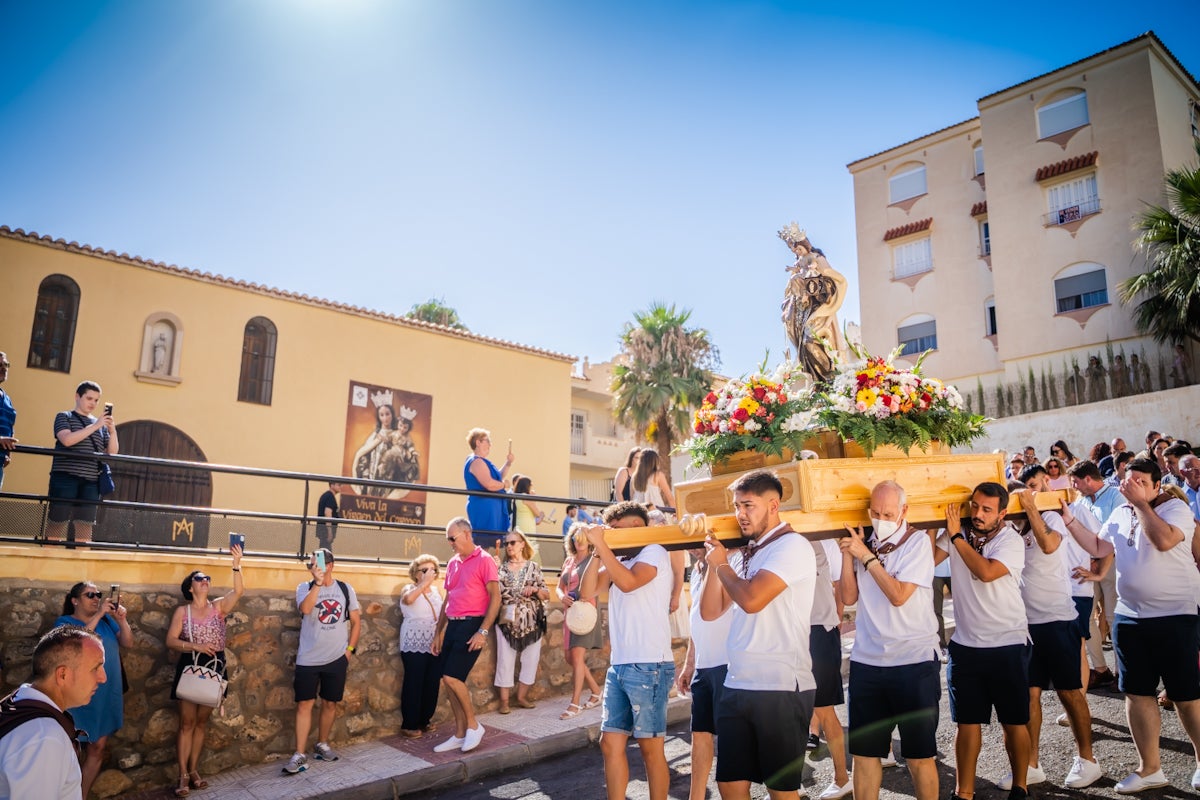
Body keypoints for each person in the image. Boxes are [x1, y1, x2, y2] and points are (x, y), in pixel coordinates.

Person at [700, 469, 818, 800]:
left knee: (780, 790)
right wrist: (716, 564)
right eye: (737, 506)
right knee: (730, 784)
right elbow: (710, 611)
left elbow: (751, 600)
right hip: (737, 683)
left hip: (780, 687)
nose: (740, 514)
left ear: (773, 504)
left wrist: (723, 564)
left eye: (748, 505)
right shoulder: (743, 554)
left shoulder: (792, 546)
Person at [1086, 457, 1200, 793]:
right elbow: (1097, 546)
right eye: (1128, 480)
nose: (1130, 486)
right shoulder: (1121, 511)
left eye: (1139, 481)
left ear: (1155, 484)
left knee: (1185, 695)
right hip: (1130, 616)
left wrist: (1139, 504)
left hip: (1175, 615)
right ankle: (1150, 769)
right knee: (1136, 693)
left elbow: (1164, 540)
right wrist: (1067, 520)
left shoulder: (1174, 509)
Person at [839, 480, 941, 800]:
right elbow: (848, 596)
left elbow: (898, 595)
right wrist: (848, 553)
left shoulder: (917, 543)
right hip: (868, 662)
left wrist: (865, 556)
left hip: (914, 661)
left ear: (903, 511)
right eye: (875, 512)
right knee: (865, 755)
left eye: (888, 513)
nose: (880, 519)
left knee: (918, 756)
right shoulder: (864, 541)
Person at [935, 482, 1031, 800]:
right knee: (966, 723)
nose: (978, 514)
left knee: (1013, 722)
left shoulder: (1011, 541)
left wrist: (956, 537)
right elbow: (925, 561)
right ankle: (964, 793)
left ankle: (1020, 787)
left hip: (1008, 643)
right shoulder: (956, 532)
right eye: (974, 506)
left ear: (1002, 513)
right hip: (965, 645)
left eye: (987, 510)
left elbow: (986, 572)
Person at [1009, 476, 1103, 789]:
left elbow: (1049, 545)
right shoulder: (1008, 528)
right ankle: (1031, 764)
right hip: (1025, 625)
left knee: (1069, 692)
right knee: (1029, 694)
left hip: (1057, 619)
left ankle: (1087, 760)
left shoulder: (1048, 516)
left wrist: (1031, 508)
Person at [581, 502, 675, 800]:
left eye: (615, 531)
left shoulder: (654, 552)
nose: (611, 537)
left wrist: (604, 549)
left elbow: (630, 583)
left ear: (636, 527)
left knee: (650, 748)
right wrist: (597, 552)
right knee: (609, 743)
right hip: (620, 664)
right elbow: (586, 593)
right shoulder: (616, 558)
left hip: (650, 663)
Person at [165, 546, 245, 797]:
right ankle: (183, 775)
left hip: (214, 667)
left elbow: (238, 591)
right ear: (190, 587)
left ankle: (194, 769)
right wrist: (195, 645)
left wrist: (236, 563)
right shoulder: (183, 611)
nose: (205, 582)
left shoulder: (218, 608)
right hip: (191, 665)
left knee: (201, 722)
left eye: (207, 579)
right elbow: (170, 640)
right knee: (186, 722)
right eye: (200, 579)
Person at [0, 626, 106, 800]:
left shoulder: (18, 700)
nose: (103, 678)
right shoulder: (44, 739)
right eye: (96, 668)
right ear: (62, 675)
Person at [283, 548, 362, 775]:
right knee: (305, 704)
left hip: (337, 658)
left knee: (330, 703)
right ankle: (299, 755)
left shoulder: (346, 589)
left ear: (330, 565)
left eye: (316, 564)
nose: (313, 568)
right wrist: (317, 584)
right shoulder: (304, 588)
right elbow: (307, 609)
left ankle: (322, 744)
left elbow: (356, 622)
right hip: (308, 658)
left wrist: (349, 651)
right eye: (310, 565)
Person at [55, 580, 134, 799]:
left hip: (106, 694)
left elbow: (128, 643)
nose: (96, 598)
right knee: (70, 751)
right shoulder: (64, 621)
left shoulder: (108, 621)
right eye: (90, 595)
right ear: (75, 601)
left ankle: (81, 795)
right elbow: (75, 645)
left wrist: (122, 620)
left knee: (97, 749)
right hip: (76, 697)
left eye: (98, 594)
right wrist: (98, 615)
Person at [431, 517, 500, 753]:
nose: (450, 543)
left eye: (453, 538)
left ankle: (473, 725)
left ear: (467, 534)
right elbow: (448, 600)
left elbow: (496, 597)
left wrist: (483, 630)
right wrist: (438, 631)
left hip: (473, 625)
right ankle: (460, 733)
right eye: (448, 539)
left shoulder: (485, 560)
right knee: (447, 681)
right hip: (453, 625)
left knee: (452, 677)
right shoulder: (452, 562)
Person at [676, 544, 737, 800]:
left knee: (731, 740)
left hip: (729, 664)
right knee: (699, 734)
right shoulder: (697, 570)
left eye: (696, 543)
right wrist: (690, 663)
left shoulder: (730, 562)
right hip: (703, 666)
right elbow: (696, 622)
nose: (692, 550)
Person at [1068, 460, 1124, 684]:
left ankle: (1121, 671)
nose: (1074, 487)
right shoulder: (1081, 501)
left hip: (1113, 562)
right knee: (1088, 617)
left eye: (1076, 482)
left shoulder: (1116, 497)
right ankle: (1101, 669)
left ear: (1088, 479)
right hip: (1088, 565)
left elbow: (1117, 533)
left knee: (1112, 616)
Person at [46, 381, 119, 544]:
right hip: (65, 477)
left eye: (96, 400)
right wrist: (96, 425)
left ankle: (81, 564)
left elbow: (112, 452)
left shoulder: (99, 425)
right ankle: (48, 559)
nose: (93, 403)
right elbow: (67, 440)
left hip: (91, 481)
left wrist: (112, 431)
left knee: (85, 525)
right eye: (89, 398)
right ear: (77, 397)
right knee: (57, 521)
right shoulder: (64, 416)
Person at [494, 529, 548, 713]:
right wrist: (492, 569)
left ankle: (521, 697)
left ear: (522, 544)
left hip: (532, 619)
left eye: (513, 542)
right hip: (506, 619)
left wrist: (534, 589)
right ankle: (504, 701)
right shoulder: (499, 568)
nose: (509, 546)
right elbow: (492, 592)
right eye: (507, 543)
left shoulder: (534, 567)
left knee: (531, 658)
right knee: (504, 659)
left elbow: (546, 594)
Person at [556, 525, 603, 720]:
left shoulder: (595, 559)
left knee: (576, 657)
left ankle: (575, 704)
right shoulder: (569, 561)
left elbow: (600, 585)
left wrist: (586, 597)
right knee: (570, 658)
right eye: (576, 536)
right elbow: (560, 586)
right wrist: (561, 597)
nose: (580, 539)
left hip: (585, 612)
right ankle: (596, 692)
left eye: (583, 536)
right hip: (570, 612)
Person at [398, 554, 443, 738]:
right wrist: (424, 584)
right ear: (416, 573)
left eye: (432, 570)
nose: (428, 574)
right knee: (414, 682)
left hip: (433, 642)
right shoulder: (409, 588)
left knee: (432, 683)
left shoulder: (437, 592)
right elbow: (408, 600)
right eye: (424, 570)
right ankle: (409, 723)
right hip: (413, 642)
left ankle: (425, 719)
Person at [464, 428, 515, 551]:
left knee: (487, 545)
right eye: (487, 441)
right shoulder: (476, 462)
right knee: (482, 544)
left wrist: (508, 463)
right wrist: (504, 485)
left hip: (489, 509)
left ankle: (483, 569)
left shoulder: (482, 462)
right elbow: (489, 484)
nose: (490, 444)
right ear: (478, 442)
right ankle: (477, 568)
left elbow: (497, 477)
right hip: (483, 509)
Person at [353, 402, 398, 496]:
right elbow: (363, 454)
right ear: (379, 417)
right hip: (372, 476)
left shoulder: (397, 435)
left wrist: (389, 443)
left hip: (388, 476)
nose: (385, 418)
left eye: (387, 414)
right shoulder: (374, 436)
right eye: (382, 415)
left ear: (392, 415)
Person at [0, 352, 16, 491]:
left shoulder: (7, 399)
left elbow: (10, 426)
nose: (4, 368)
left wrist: (7, 454)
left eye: (6, 364)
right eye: (0, 365)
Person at [315, 482, 343, 552]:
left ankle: (321, 562)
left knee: (323, 552)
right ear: (332, 485)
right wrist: (329, 532)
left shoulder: (327, 496)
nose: (340, 487)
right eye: (338, 485)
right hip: (325, 532)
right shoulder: (330, 497)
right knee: (326, 554)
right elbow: (328, 513)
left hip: (323, 531)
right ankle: (320, 563)